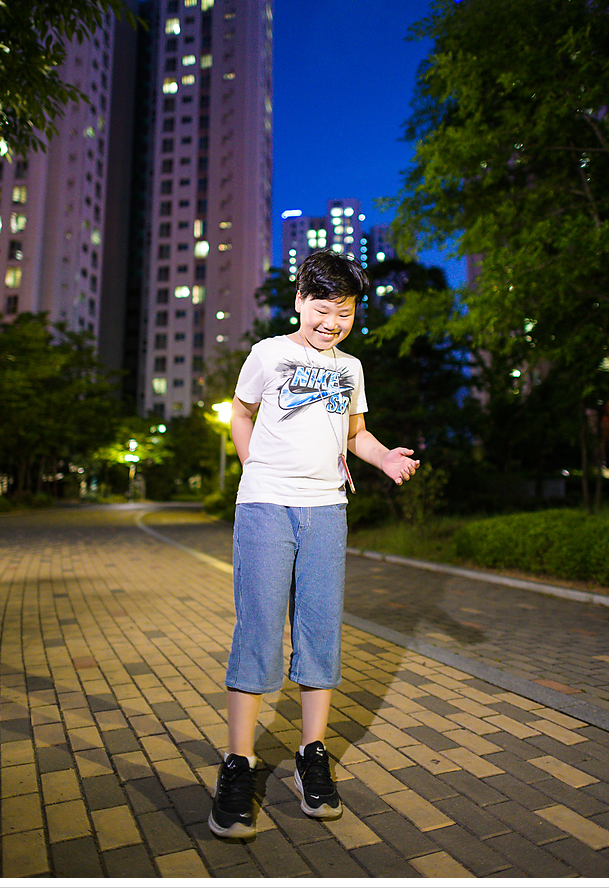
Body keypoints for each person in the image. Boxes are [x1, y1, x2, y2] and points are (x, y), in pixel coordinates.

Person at [208, 250, 420, 839]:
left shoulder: (351, 367)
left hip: (327, 510)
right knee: (258, 626)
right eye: (323, 309)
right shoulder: (269, 353)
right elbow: (241, 414)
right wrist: (253, 470)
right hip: (266, 506)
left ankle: (312, 756)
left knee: (320, 627)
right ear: (300, 301)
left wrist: (384, 457)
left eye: (344, 313)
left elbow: (355, 433)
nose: (332, 323)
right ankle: (238, 762)